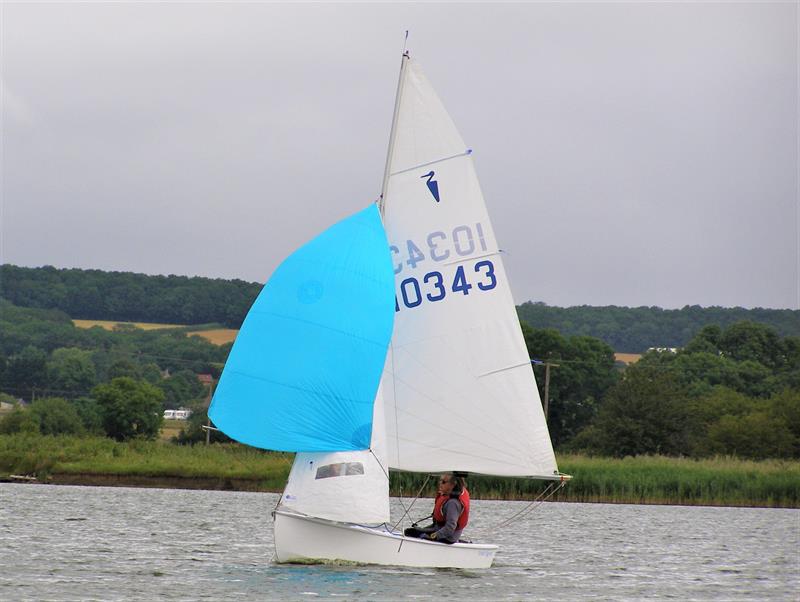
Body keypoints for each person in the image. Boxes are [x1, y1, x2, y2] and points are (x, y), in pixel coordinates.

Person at [404, 473, 470, 544]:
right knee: (410, 532)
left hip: (448, 537)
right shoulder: (447, 496)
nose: (440, 483)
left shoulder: (453, 503)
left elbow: (450, 527)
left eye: (443, 482)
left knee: (418, 535)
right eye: (440, 481)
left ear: (453, 484)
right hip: (439, 528)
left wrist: (435, 536)